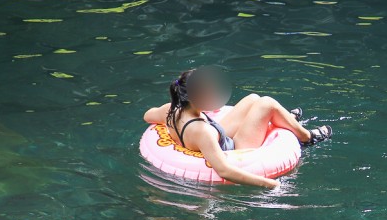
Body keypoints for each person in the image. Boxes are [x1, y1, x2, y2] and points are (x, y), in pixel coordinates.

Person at [142, 67, 333, 189]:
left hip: (214, 135)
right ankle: (307, 137)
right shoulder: (202, 132)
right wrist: (269, 184)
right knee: (266, 103)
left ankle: (286, 118)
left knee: (253, 99)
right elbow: (224, 170)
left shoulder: (170, 111)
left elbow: (147, 116)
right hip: (235, 149)